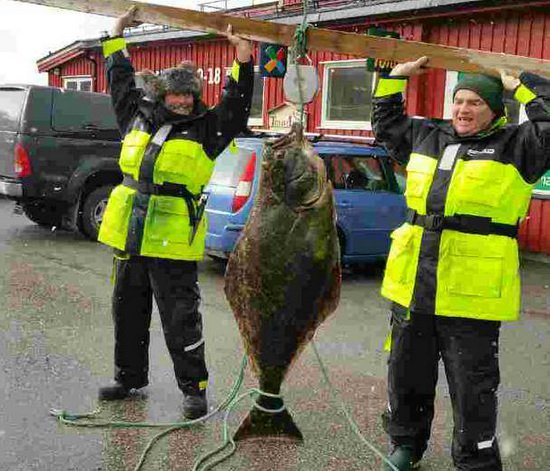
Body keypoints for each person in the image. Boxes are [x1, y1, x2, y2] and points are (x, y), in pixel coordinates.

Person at [372, 56, 550, 470]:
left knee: (473, 388)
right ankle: (407, 444)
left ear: (496, 110)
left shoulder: (519, 146)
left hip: (472, 290)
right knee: (405, 375)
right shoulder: (427, 134)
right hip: (413, 282)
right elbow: (385, 124)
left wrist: (521, 84)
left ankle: (476, 460)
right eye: (459, 101)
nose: (463, 110)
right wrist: (394, 79)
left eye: (475, 103)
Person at [97, 6, 254, 420]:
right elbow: (118, 79)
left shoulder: (207, 128)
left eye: (188, 94)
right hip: (129, 236)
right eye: (175, 94)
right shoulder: (136, 117)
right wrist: (116, 33)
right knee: (127, 312)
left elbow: (236, 107)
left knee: (181, 320)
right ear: (162, 94)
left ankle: (194, 388)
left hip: (173, 242)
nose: (183, 100)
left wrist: (242, 60)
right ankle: (128, 377)